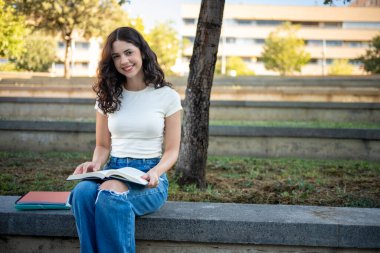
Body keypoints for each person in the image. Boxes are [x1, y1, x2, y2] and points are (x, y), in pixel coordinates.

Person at [68, 26, 182, 253]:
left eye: (128, 52)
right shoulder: (107, 96)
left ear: (141, 51)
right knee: (81, 193)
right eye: (116, 56)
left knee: (109, 194)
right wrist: (96, 164)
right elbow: (102, 145)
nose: (124, 61)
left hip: (149, 176)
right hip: (113, 169)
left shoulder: (167, 96)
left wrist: (156, 172)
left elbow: (172, 150)